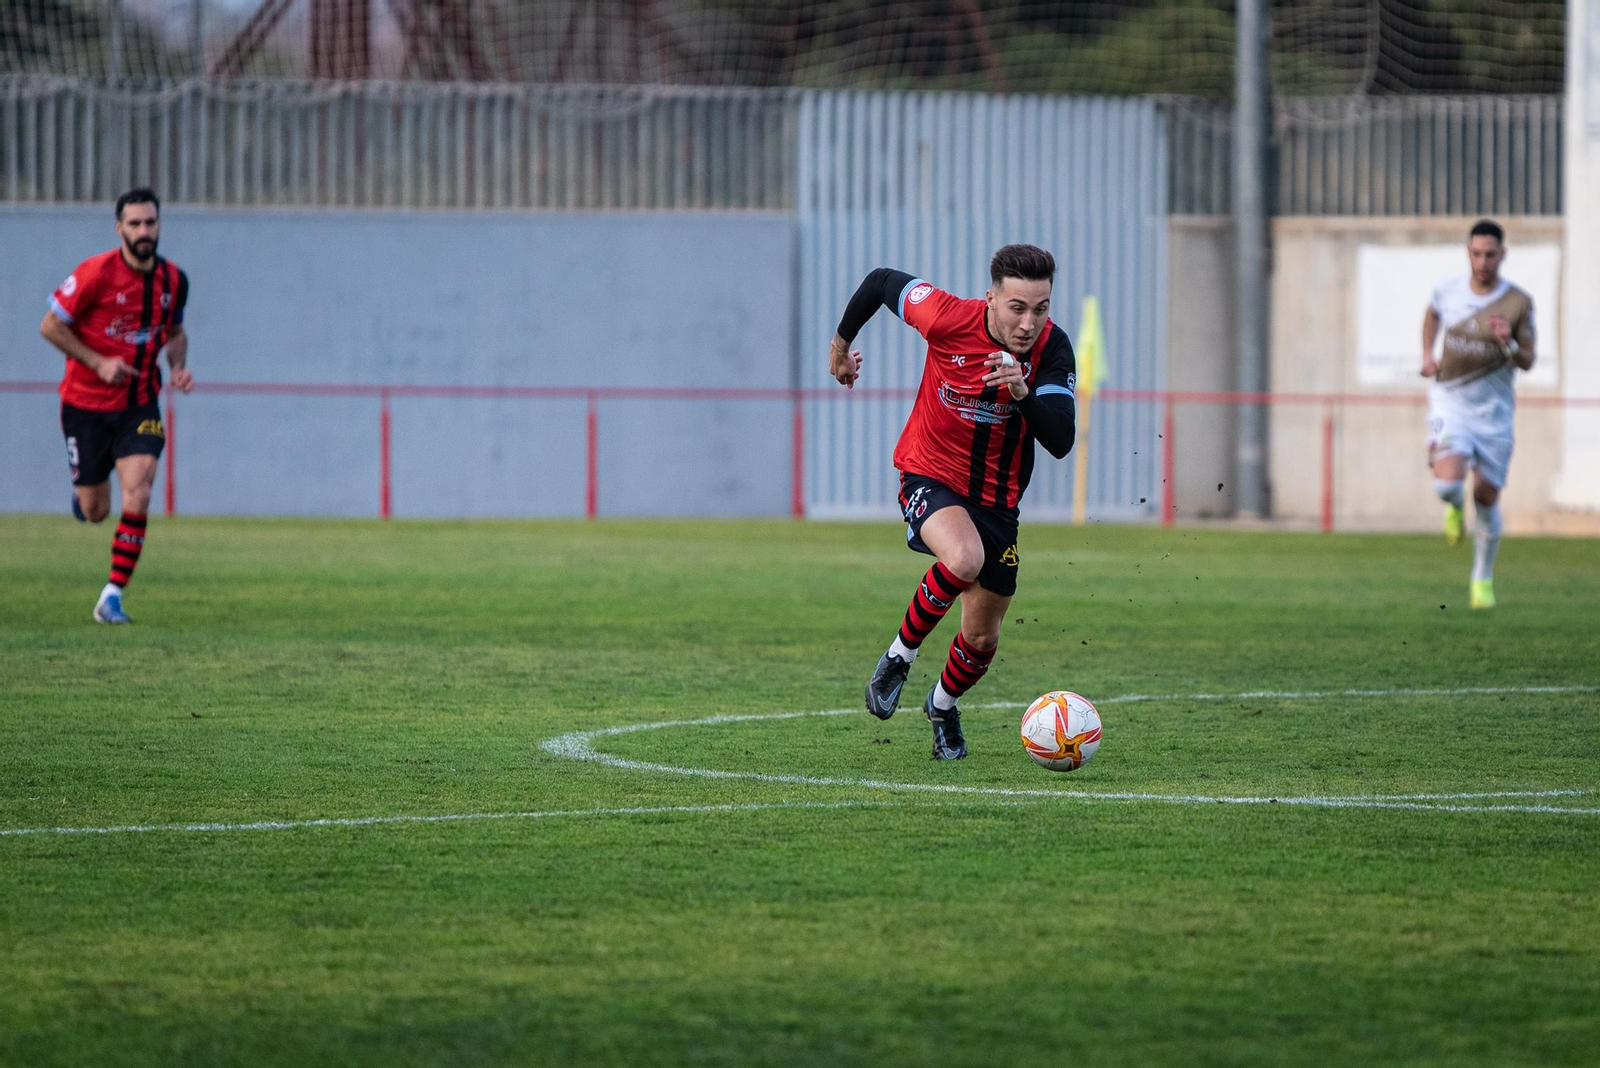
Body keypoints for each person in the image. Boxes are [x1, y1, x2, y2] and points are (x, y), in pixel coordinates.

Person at [829, 244, 1077, 760]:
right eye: (1017, 307)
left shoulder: (1053, 350)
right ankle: (899, 657)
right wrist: (839, 346)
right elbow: (879, 281)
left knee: (982, 640)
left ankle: (941, 706)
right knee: (963, 558)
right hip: (929, 472)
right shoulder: (944, 315)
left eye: (1041, 307)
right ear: (991, 298)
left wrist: (1024, 393)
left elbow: (1060, 440)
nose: (1029, 322)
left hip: (998, 504)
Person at [40, 187, 192, 624]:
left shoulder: (174, 280)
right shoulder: (95, 273)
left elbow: (176, 332)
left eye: (150, 223)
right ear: (119, 228)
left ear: (159, 225)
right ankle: (84, 495)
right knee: (95, 510)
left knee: (140, 489)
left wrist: (178, 366)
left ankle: (111, 596)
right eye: (135, 224)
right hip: (84, 405)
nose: (144, 231)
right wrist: (97, 362)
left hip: (139, 404)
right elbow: (49, 325)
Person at [1420, 219, 1536, 610]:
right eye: (1476, 253)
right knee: (1447, 486)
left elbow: (1528, 360)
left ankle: (1481, 578)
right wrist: (1427, 355)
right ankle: (1454, 508)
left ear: (1502, 255)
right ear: (1468, 253)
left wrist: (1509, 341)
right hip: (1450, 402)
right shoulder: (1448, 290)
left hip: (1495, 415)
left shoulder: (1518, 302)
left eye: (1490, 254)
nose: (1482, 261)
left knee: (1486, 497)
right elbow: (1432, 314)